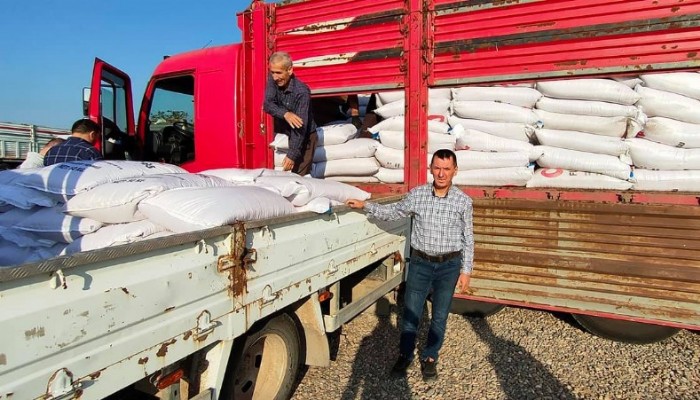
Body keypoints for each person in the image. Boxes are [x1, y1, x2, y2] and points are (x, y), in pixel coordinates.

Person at [346, 149, 474, 382]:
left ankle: (430, 357)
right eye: (437, 168)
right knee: (411, 313)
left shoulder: (463, 202)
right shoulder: (418, 195)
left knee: (440, 315)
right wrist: (366, 206)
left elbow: (468, 238)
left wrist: (466, 270)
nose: (441, 173)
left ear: (455, 170)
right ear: (430, 168)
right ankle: (405, 355)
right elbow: (393, 212)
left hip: (449, 266)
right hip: (421, 264)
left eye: (446, 169)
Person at [263, 51, 317, 175]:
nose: (275, 77)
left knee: (298, 176)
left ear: (290, 70)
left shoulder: (301, 92)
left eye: (279, 73)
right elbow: (267, 104)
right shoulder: (273, 79)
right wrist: (286, 114)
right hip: (288, 131)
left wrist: (292, 155)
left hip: (305, 135)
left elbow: (300, 127)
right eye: (272, 72)